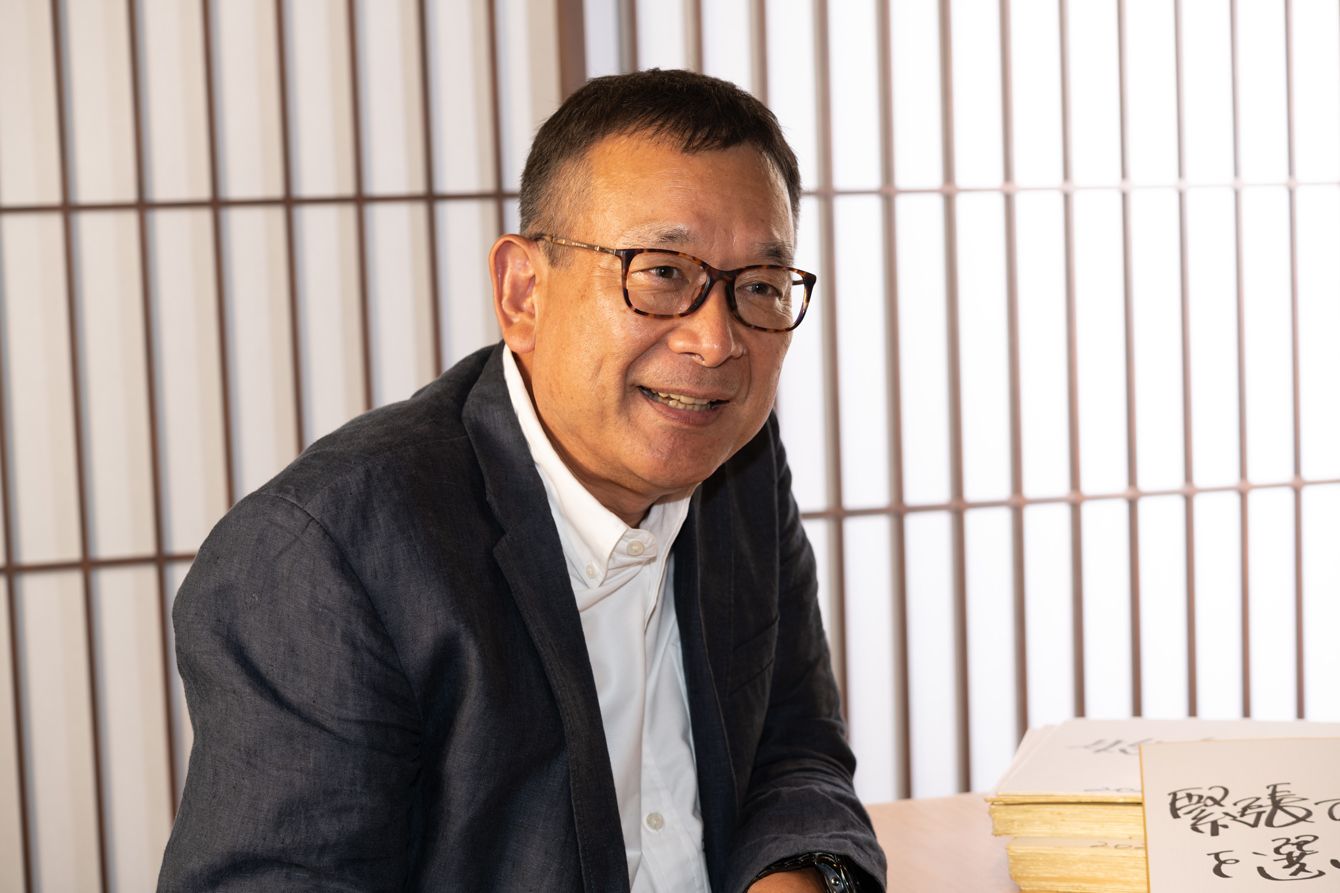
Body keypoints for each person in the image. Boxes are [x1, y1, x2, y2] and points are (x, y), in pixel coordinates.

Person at [158, 68, 886, 893]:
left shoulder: (737, 464)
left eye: (758, 286)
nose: (715, 342)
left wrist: (804, 876)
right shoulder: (324, 556)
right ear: (523, 292)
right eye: (661, 272)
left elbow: (795, 745)